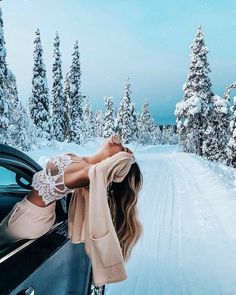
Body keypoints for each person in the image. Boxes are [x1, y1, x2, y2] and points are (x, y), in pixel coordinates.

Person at [0, 133, 143, 262]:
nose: (118, 139)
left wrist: (106, 161)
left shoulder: (85, 175)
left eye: (124, 150)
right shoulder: (83, 168)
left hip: (24, 224)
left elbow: (93, 173)